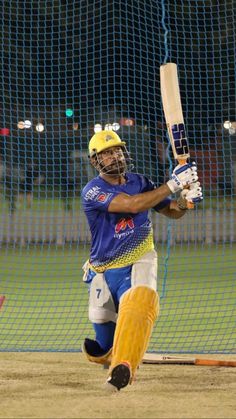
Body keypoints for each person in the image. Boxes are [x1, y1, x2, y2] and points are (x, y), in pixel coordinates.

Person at [81, 130, 202, 391]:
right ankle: (109, 354)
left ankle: (123, 368)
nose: (114, 156)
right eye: (106, 153)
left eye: (117, 150)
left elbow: (170, 211)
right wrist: (172, 184)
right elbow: (133, 205)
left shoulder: (140, 181)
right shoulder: (92, 191)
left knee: (140, 301)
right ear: (95, 162)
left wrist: (183, 201)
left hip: (140, 258)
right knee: (104, 343)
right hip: (102, 271)